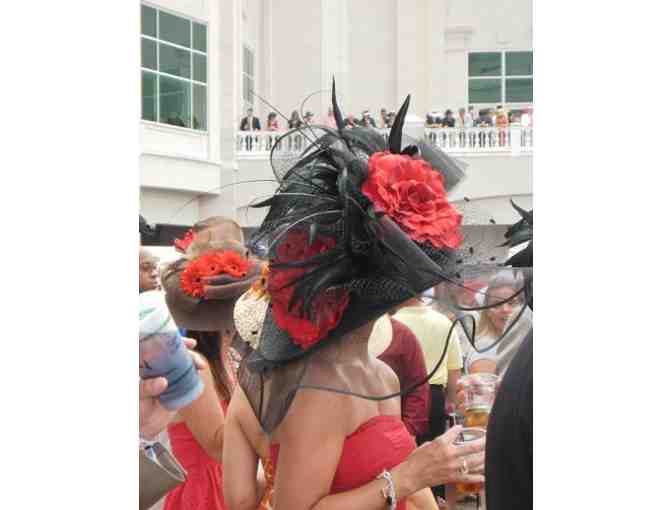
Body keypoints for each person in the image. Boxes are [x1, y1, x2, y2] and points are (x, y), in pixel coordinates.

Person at [222, 86, 492, 510]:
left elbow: (408, 479)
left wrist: (434, 472)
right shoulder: (320, 386)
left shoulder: (379, 375)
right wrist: (407, 477)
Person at [160, 216, 261, 510]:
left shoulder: (228, 355)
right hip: (203, 494)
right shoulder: (197, 363)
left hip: (225, 484)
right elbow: (217, 444)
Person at [368, 314, 431, 438]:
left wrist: (408, 431)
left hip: (391, 435)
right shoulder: (329, 335)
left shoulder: (401, 334)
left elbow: (418, 386)